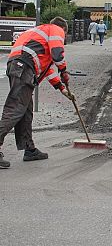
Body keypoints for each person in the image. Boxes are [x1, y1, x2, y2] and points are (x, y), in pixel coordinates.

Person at [0, 16, 74, 169]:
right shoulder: (55, 29)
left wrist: (62, 88)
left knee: (25, 111)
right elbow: (57, 53)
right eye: (64, 35)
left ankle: (29, 149)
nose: (63, 37)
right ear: (64, 30)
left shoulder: (38, 33)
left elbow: (47, 71)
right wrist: (64, 70)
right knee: (15, 109)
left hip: (19, 67)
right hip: (24, 68)